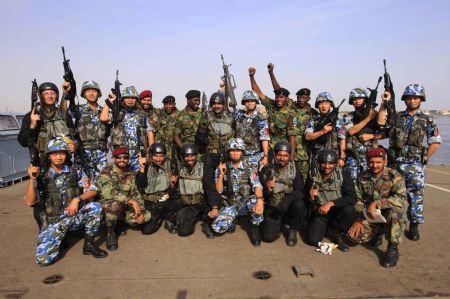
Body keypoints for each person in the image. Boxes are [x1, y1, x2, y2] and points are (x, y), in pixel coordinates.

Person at [25, 138, 107, 266]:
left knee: (95, 207)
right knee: (43, 260)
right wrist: (31, 180)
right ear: (48, 156)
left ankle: (89, 246)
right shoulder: (42, 175)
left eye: (62, 153)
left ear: (67, 155)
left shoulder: (75, 171)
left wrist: (77, 199)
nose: (58, 157)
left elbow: (93, 190)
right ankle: (62, 237)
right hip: (54, 221)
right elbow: (30, 202)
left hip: (73, 216)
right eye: (54, 153)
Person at [378, 84, 441, 240]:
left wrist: (422, 161)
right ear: (405, 100)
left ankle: (414, 226)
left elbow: (435, 142)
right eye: (409, 97)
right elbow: (381, 125)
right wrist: (384, 103)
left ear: (421, 99)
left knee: (416, 197)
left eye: (415, 97)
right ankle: (386, 225)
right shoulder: (397, 117)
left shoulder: (427, 119)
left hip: (414, 167)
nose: (412, 100)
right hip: (394, 166)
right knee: (389, 195)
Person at [347, 147, 408, 268]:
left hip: (389, 214)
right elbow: (357, 200)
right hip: (371, 216)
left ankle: (393, 248)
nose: (374, 165)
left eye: (378, 162)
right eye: (371, 162)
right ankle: (377, 233)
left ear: (385, 162)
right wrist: (358, 219)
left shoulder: (394, 176)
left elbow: (401, 199)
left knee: (397, 212)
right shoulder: (363, 176)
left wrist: (377, 203)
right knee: (352, 237)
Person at [209, 138, 265, 246]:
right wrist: (221, 174)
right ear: (228, 152)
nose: (235, 153)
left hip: (245, 202)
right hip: (230, 204)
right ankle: (233, 218)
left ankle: (254, 229)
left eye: (238, 150)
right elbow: (219, 190)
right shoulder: (222, 167)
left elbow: (257, 185)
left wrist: (260, 200)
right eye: (232, 150)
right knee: (217, 228)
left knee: (256, 202)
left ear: (242, 152)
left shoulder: (249, 167)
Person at [96, 147, 152, 251]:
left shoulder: (129, 173)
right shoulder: (106, 172)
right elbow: (109, 193)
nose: (122, 160)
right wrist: (132, 202)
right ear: (113, 158)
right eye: (119, 157)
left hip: (125, 205)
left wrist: (140, 210)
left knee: (146, 216)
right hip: (108, 204)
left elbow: (135, 193)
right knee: (114, 205)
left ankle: (120, 222)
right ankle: (110, 233)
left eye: (125, 157)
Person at [266, 63, 315, 180]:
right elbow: (278, 90)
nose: (301, 100)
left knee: (301, 179)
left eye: (304, 98)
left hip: (303, 154)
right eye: (300, 97)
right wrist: (271, 73)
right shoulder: (291, 106)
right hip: (286, 151)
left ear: (309, 99)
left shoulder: (313, 113)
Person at [196, 92, 235, 226]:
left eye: (219, 103)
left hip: (227, 155)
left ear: (224, 105)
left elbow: (236, 134)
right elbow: (199, 137)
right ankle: (213, 206)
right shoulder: (206, 116)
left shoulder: (231, 117)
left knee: (229, 181)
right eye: (214, 103)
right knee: (208, 180)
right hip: (211, 154)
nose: (217, 106)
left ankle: (230, 210)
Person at [305, 149, 356, 251]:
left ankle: (338, 234)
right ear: (319, 164)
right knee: (313, 240)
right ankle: (324, 228)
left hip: (337, 212)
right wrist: (311, 198)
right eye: (324, 163)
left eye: (330, 163)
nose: (327, 166)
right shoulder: (313, 177)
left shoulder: (343, 176)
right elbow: (306, 202)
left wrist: (331, 203)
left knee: (349, 210)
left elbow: (352, 198)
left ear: (335, 164)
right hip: (320, 213)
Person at [260, 142, 305, 246]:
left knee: (300, 205)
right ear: (275, 155)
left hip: (287, 205)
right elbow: (260, 192)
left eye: (285, 156)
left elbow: (300, 191)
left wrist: (286, 201)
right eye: (279, 155)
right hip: (272, 205)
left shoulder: (294, 168)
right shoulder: (267, 168)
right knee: (268, 238)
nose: (282, 158)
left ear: (289, 156)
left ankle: (293, 230)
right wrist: (268, 189)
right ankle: (277, 224)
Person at [100, 86, 154, 172]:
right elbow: (103, 118)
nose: (130, 100)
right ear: (123, 99)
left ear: (136, 100)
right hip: (121, 159)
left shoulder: (142, 115)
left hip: (138, 157)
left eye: (132, 98)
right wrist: (108, 102)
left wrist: (150, 154)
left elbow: (150, 133)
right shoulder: (117, 114)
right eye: (127, 98)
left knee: (139, 181)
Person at [249, 67, 296, 159]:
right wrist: (252, 77)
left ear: (286, 99)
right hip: (267, 150)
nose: (279, 99)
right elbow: (257, 92)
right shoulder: (271, 104)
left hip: (281, 152)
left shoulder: (290, 114)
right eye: (277, 97)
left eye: (282, 97)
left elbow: (292, 139)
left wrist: (291, 159)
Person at [136, 143, 181, 235]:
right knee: (147, 231)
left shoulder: (169, 165)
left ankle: (169, 220)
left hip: (165, 200)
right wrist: (142, 168)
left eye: (161, 156)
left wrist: (173, 183)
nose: (158, 159)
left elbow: (174, 188)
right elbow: (139, 184)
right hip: (151, 202)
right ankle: (158, 218)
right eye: (155, 156)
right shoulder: (146, 165)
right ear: (151, 156)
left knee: (179, 201)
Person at [343, 88, 384, 181]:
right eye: (354, 99)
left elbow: (385, 131)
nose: (357, 101)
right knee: (352, 186)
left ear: (365, 100)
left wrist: (372, 136)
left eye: (360, 98)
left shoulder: (374, 115)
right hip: (352, 158)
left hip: (370, 159)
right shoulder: (348, 116)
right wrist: (368, 119)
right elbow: (351, 131)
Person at [74, 80, 109, 183]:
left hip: (100, 153)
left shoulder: (104, 110)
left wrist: (108, 103)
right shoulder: (78, 110)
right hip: (83, 153)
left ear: (98, 93)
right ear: (84, 94)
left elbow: (107, 120)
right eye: (88, 91)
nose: (91, 94)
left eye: (94, 91)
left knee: (103, 182)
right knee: (84, 184)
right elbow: (64, 114)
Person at [175, 144, 212, 237]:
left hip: (203, 202)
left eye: (192, 155)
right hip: (188, 204)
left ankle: (206, 221)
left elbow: (211, 188)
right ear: (183, 157)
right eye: (186, 156)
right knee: (183, 232)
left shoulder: (204, 167)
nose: (189, 158)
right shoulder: (179, 169)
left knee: (214, 221)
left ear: (196, 155)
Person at [305, 92, 346, 165]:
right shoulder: (312, 120)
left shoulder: (339, 120)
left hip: (334, 158)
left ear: (331, 105)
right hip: (317, 158)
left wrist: (342, 158)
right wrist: (322, 131)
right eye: (321, 103)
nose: (324, 106)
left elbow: (342, 139)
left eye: (326, 103)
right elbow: (308, 137)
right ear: (317, 106)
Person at [234, 90, 270, 171]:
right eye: (247, 101)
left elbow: (264, 138)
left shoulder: (261, 118)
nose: (249, 103)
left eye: (252, 101)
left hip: (254, 157)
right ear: (244, 102)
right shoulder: (239, 115)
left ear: (256, 102)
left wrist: (265, 156)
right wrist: (223, 90)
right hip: (238, 156)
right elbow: (228, 107)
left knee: (254, 180)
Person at [151, 95, 179, 160]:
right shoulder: (159, 113)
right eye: (166, 104)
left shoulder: (180, 115)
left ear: (174, 104)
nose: (168, 106)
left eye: (170, 104)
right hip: (161, 147)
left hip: (174, 147)